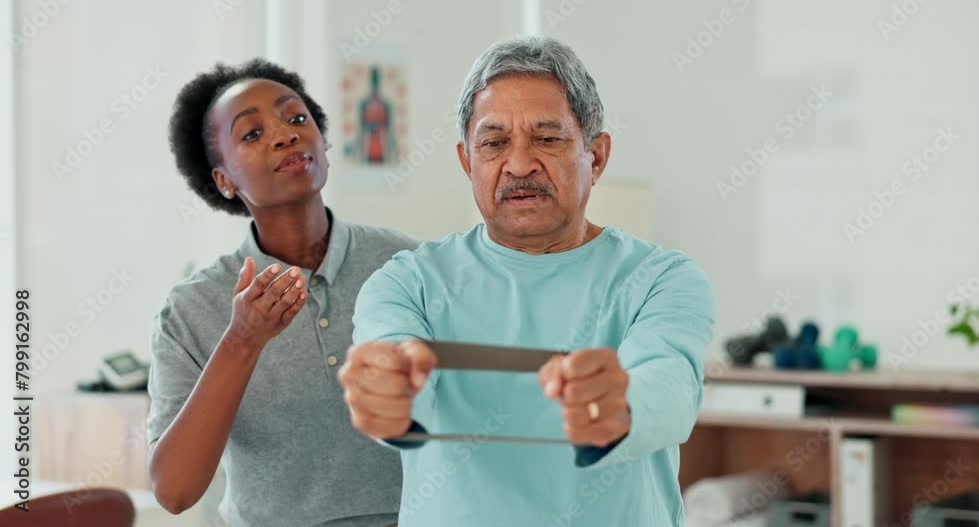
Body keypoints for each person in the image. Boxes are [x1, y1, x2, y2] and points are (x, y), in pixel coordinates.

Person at [337, 37, 717, 526]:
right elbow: (395, 365)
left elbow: (670, 388)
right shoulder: (405, 283)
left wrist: (621, 404)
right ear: (466, 161)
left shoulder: (663, 279)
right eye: (494, 143)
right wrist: (386, 392)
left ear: (596, 157)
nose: (519, 165)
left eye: (548, 138)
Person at [147, 59, 416, 527]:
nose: (285, 135)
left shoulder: (406, 265)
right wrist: (243, 340)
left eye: (296, 119)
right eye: (251, 134)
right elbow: (174, 491)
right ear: (224, 179)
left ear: (324, 142)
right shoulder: (192, 309)